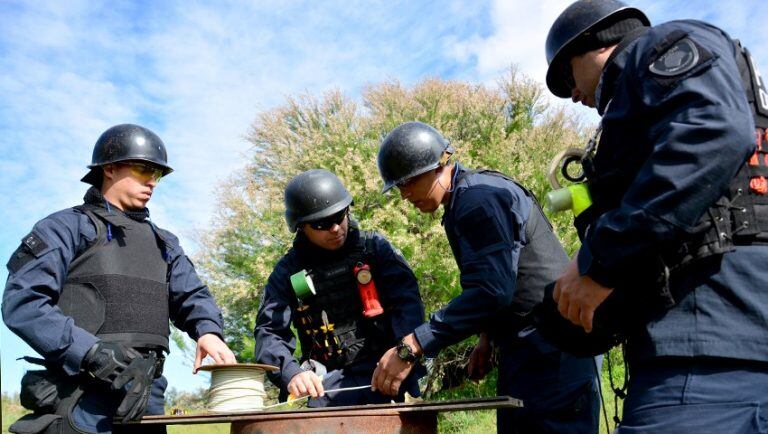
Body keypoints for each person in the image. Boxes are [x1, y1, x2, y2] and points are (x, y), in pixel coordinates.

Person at [544, 0, 768, 431]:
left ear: (595, 41)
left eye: (567, 76)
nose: (572, 93)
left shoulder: (657, 47)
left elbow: (713, 132)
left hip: (704, 360)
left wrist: (598, 263)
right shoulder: (658, 90)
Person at [3, 124, 236, 434]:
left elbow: (193, 295)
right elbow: (24, 303)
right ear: (109, 168)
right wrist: (90, 352)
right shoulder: (64, 227)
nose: (153, 181)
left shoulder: (164, 243)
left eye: (158, 174)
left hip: (145, 396)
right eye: (143, 169)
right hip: (82, 395)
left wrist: (208, 331)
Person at [374, 121, 600, 433]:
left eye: (406, 184)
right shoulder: (465, 199)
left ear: (433, 168)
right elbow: (502, 275)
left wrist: (415, 343)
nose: (403, 196)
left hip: (554, 348)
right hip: (530, 346)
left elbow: (492, 291)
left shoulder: (477, 199)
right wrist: (487, 337)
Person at [254, 169, 426, 407]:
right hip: (325, 382)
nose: (335, 228)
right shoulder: (288, 272)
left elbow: (408, 305)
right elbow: (270, 332)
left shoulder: (375, 249)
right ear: (302, 226)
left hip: (387, 369)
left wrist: (404, 354)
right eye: (322, 224)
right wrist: (292, 373)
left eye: (339, 216)